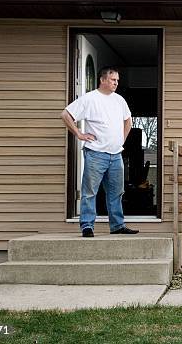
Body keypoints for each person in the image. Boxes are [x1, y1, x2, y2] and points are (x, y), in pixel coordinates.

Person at [61, 66, 139, 237]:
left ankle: (117, 225)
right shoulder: (90, 99)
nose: (116, 83)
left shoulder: (119, 100)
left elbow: (128, 121)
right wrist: (79, 134)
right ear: (103, 80)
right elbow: (66, 114)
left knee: (116, 192)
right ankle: (87, 226)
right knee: (90, 192)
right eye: (113, 80)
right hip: (96, 154)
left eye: (117, 80)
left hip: (116, 155)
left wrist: (121, 140)